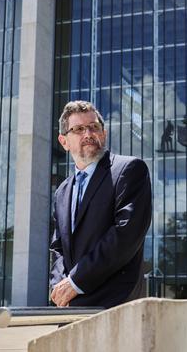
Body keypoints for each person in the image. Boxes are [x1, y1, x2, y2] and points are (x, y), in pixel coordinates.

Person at [49, 100, 152, 308]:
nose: (88, 134)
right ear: (64, 141)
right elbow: (58, 247)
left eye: (94, 127)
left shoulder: (129, 170)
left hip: (114, 304)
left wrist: (75, 282)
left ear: (103, 134)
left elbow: (125, 236)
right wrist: (59, 285)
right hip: (69, 307)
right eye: (78, 129)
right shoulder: (61, 192)